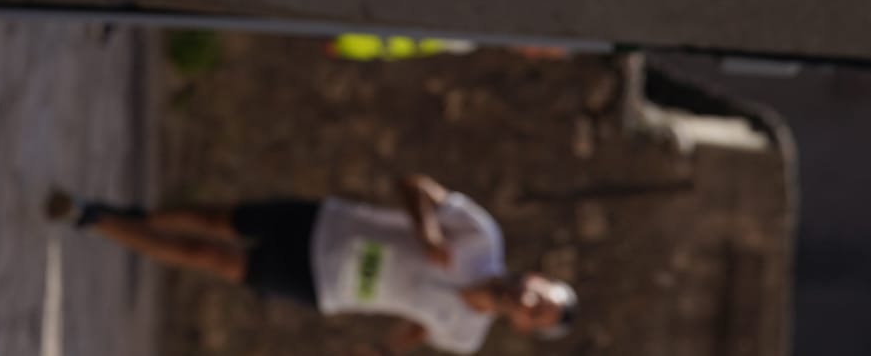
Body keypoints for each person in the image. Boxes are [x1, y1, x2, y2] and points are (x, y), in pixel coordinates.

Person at [45, 175, 577, 353]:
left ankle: (94, 219)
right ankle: (144, 215)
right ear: (536, 279)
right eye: (540, 297)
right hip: (327, 227)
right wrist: (427, 229)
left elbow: (421, 326)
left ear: (525, 327)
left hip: (326, 286)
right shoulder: (482, 237)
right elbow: (415, 186)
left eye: (537, 315)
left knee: (207, 258)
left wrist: (385, 349)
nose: (528, 304)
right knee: (214, 222)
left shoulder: (465, 337)